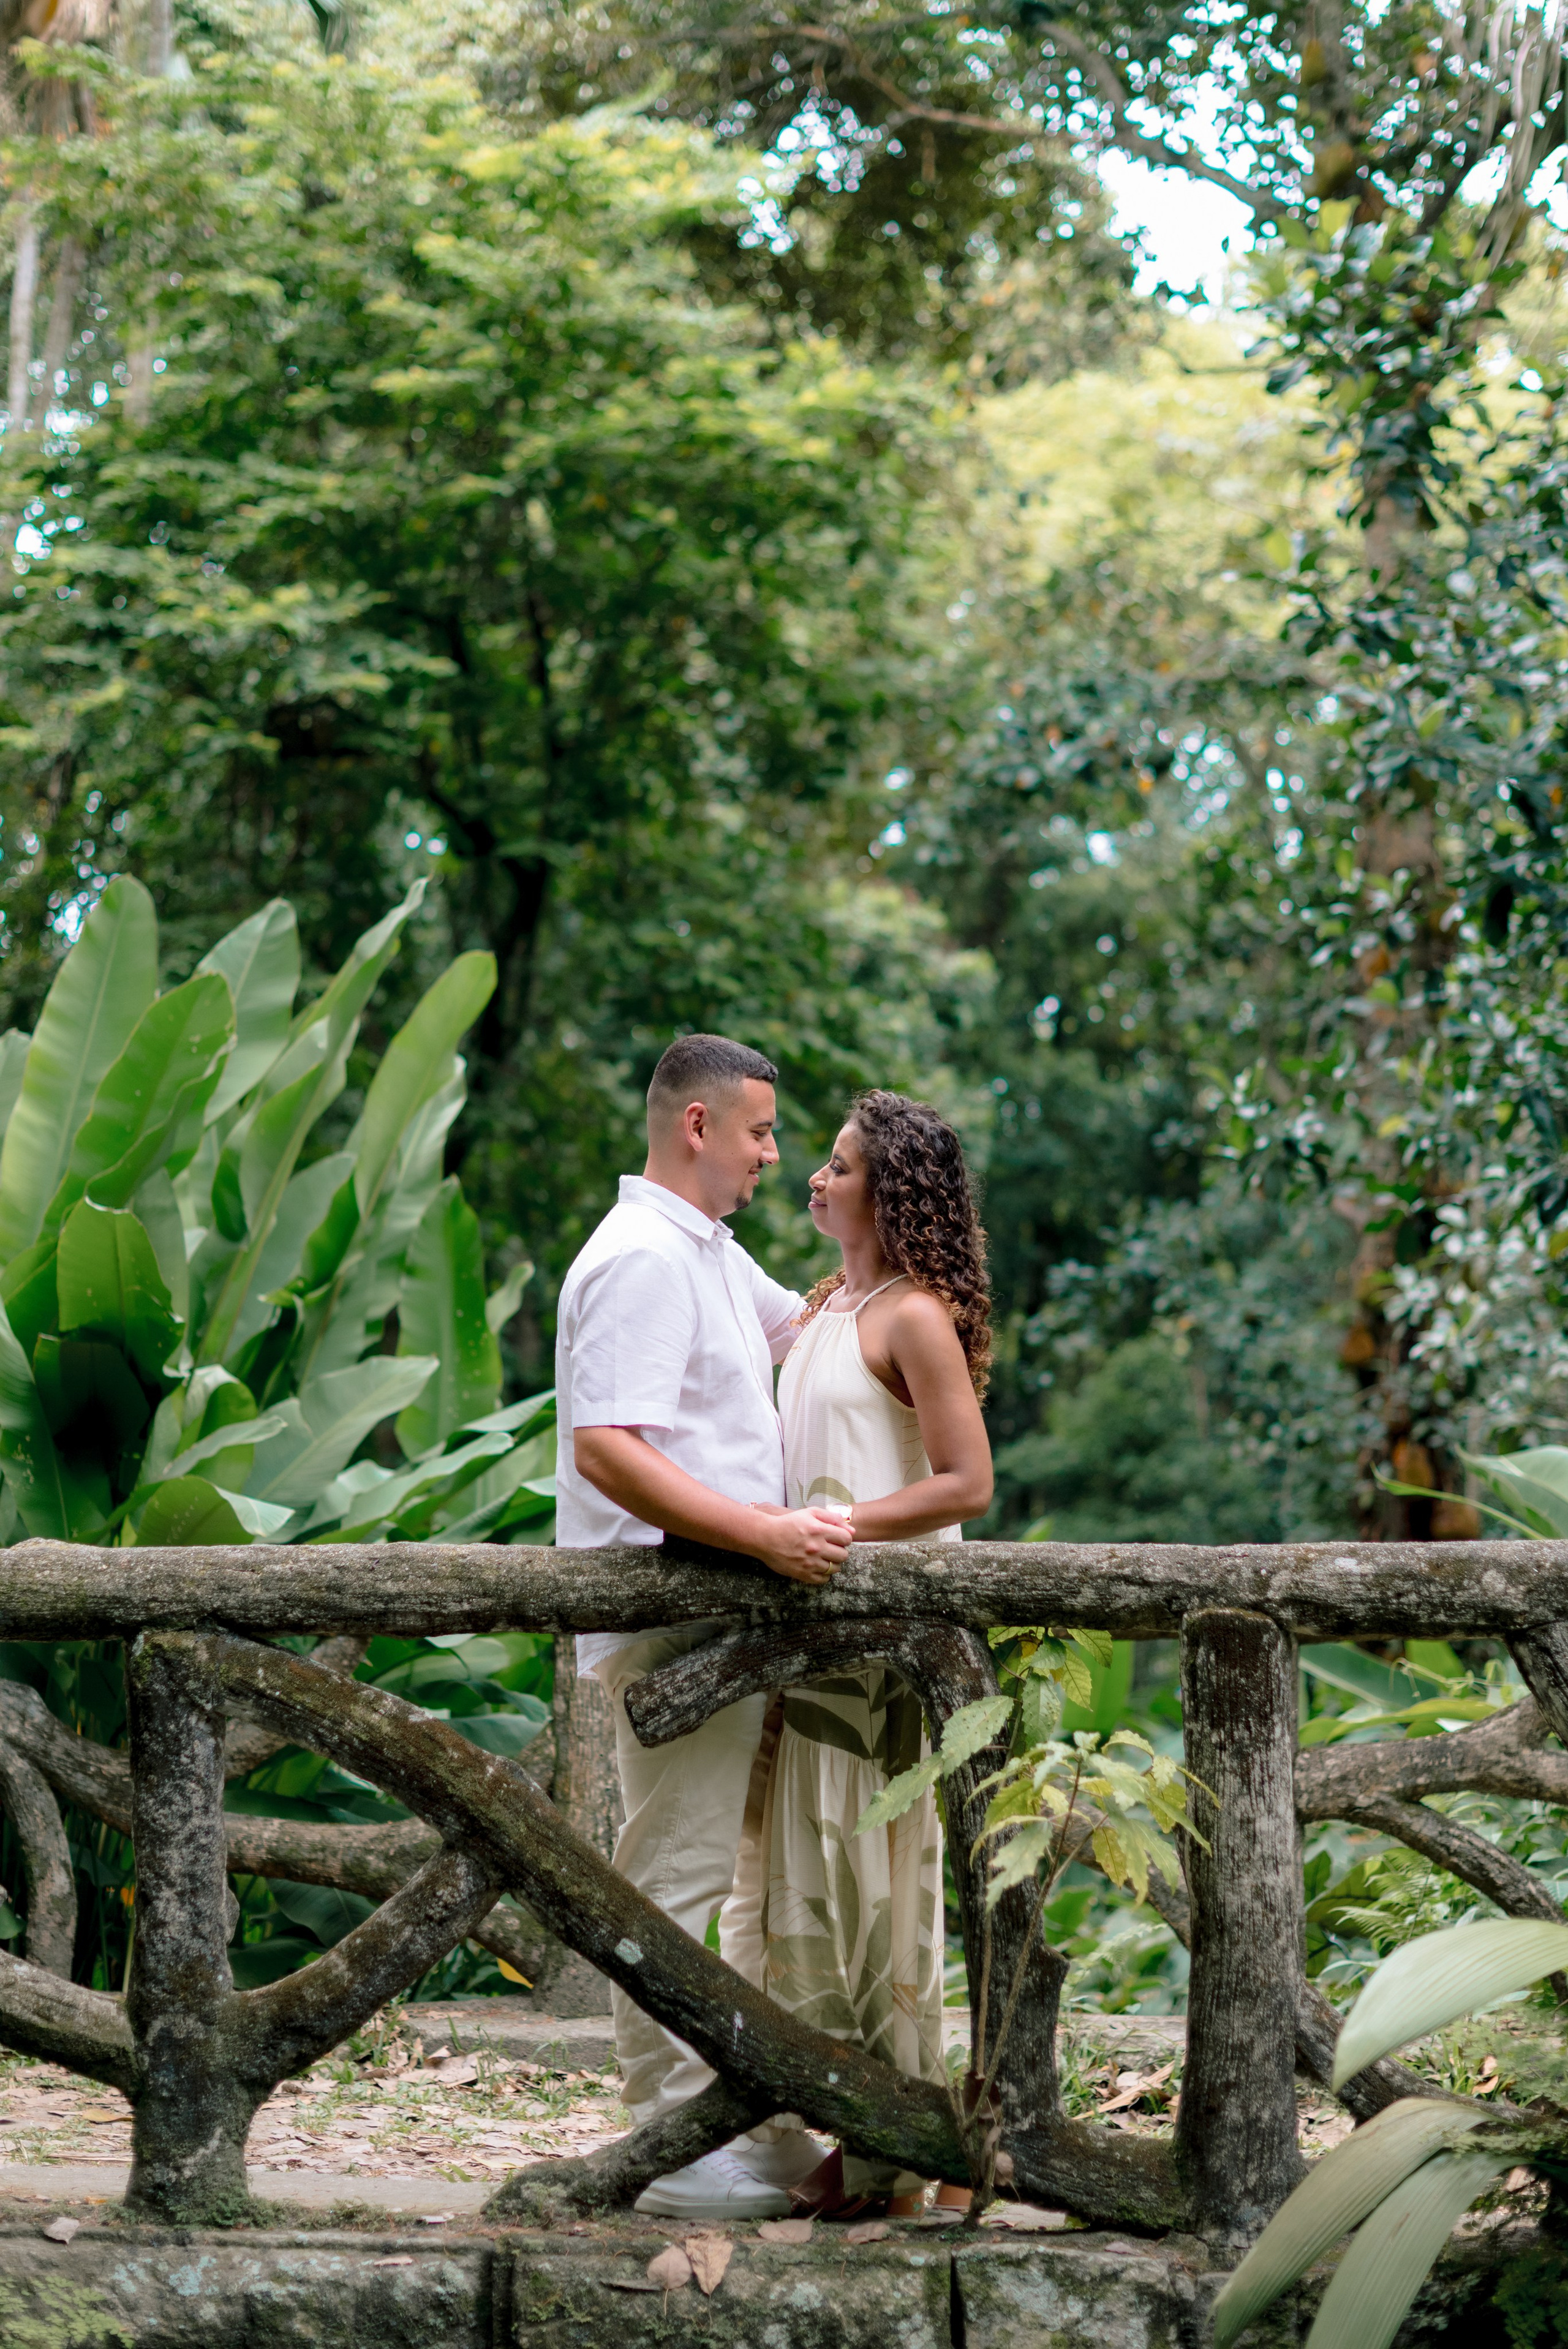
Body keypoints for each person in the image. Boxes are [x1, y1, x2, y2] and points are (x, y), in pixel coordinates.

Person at [555, 1031, 854, 2222]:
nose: (775, 1157)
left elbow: (809, 1325)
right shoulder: (638, 1258)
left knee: (734, 1878)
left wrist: (893, 1221)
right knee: (671, 1875)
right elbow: (607, 1450)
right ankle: (667, 2139)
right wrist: (762, 1532)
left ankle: (740, 2117)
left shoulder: (709, 1255)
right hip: (671, 1614)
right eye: (762, 1133)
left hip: (728, 1614)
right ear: (697, 1126)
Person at [729, 1090, 993, 2220]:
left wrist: (845, 1531)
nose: (814, 1178)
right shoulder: (836, 1301)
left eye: (837, 1167)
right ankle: (852, 2124)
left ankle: (896, 2152)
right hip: (811, 1642)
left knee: (879, 1891)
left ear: (888, 1192)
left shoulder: (914, 1318)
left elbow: (967, 1483)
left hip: (888, 1650)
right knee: (809, 1889)